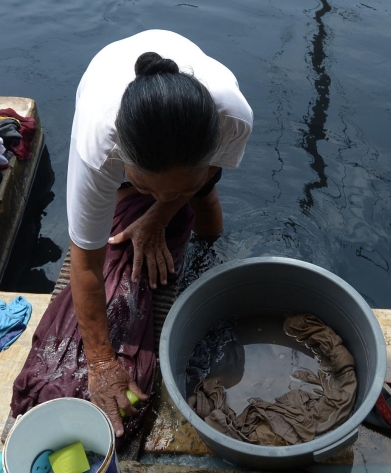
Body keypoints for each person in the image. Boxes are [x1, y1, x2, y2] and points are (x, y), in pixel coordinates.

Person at [67, 29, 253, 435]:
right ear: (122, 163)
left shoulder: (232, 118)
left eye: (180, 186)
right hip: (110, 87)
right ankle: (163, 185)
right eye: (147, 186)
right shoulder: (98, 148)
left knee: (203, 197)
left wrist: (157, 216)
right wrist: (101, 362)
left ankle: (198, 229)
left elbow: (211, 172)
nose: (163, 196)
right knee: (143, 199)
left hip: (192, 133)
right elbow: (84, 259)